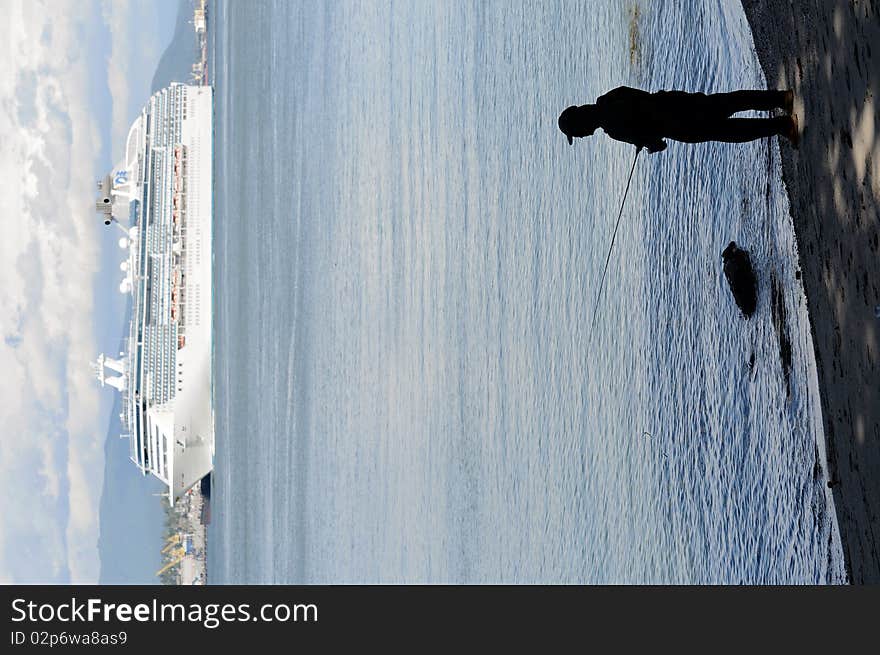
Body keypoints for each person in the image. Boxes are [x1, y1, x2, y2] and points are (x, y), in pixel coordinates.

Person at [558, 87, 798, 152]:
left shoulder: (612, 129)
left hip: (680, 126)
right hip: (674, 101)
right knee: (728, 102)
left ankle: (783, 125)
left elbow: (655, 142)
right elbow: (639, 96)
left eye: (577, 133)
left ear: (581, 124)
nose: (581, 136)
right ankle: (781, 98)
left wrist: (648, 145)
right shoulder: (608, 98)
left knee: (733, 131)